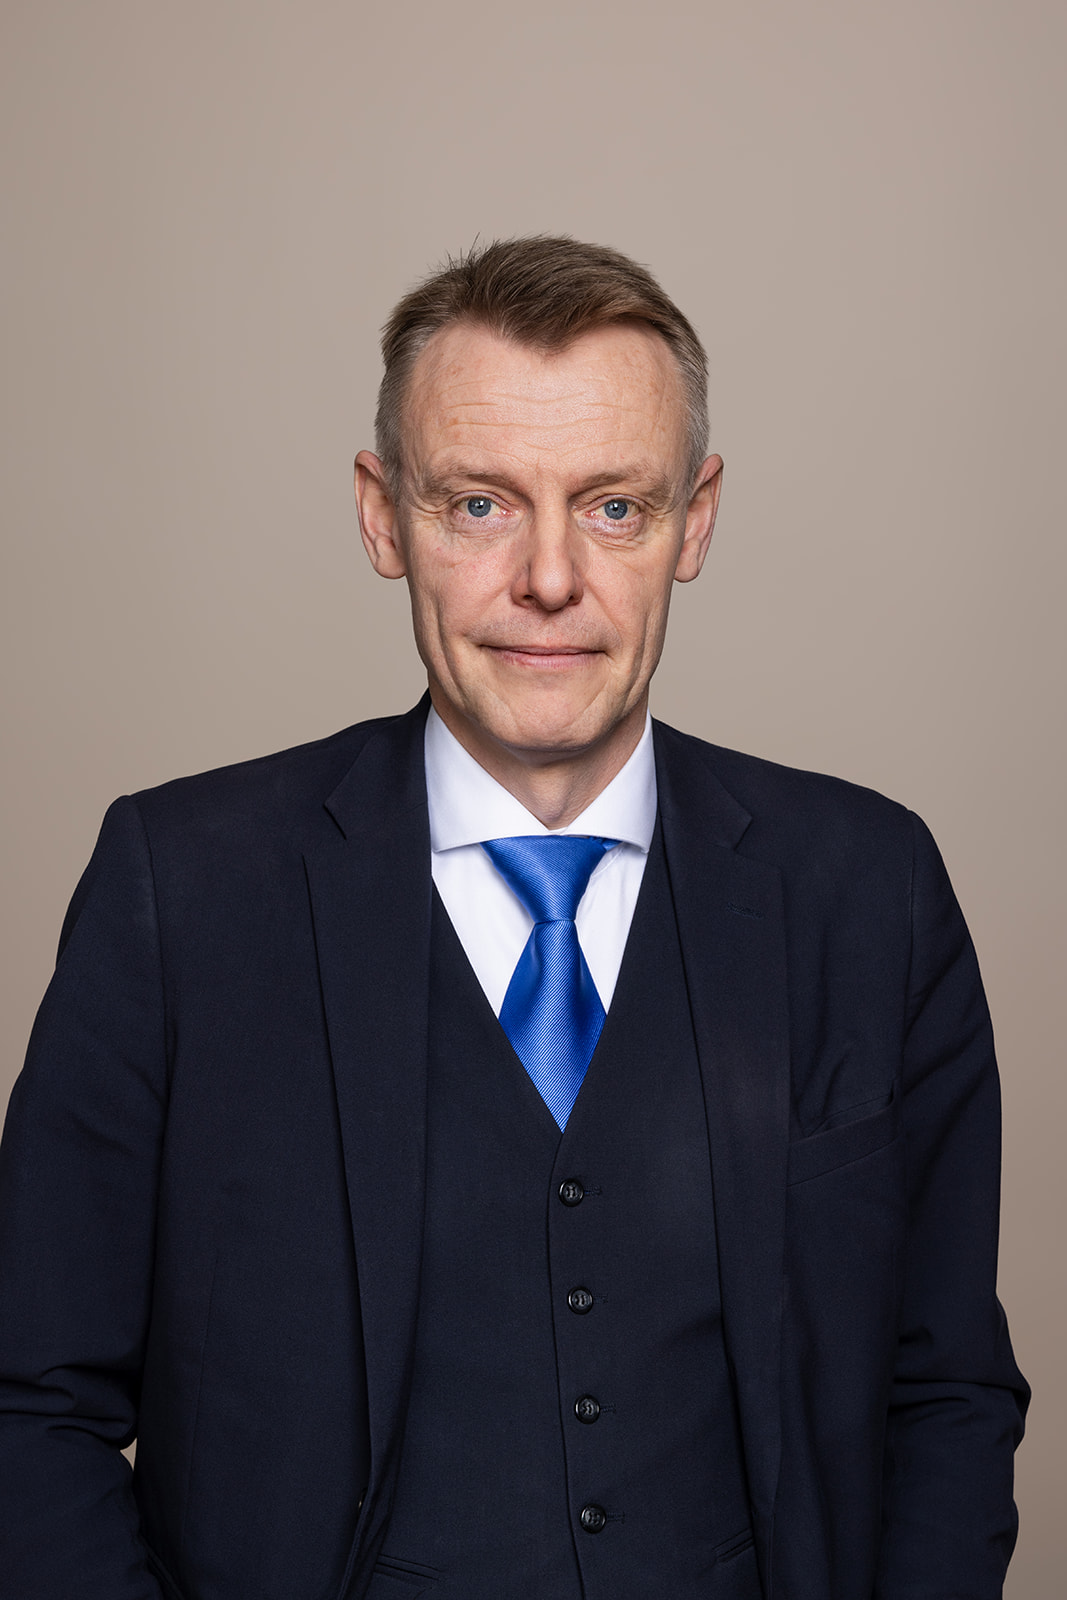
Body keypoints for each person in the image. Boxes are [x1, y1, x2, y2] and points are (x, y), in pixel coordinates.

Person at [0, 237, 1027, 1600]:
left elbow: (947, 1395)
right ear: (383, 517)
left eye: (615, 507)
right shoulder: (177, 889)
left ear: (695, 522)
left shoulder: (870, 889)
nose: (549, 577)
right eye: (480, 504)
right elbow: (30, 1407)